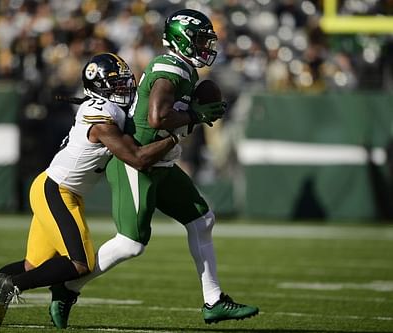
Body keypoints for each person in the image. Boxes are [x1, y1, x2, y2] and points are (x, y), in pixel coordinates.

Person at [52, 8, 259, 328]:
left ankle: (214, 300)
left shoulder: (183, 68)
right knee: (131, 244)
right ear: (182, 39)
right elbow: (157, 118)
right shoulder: (169, 68)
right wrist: (196, 116)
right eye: (201, 39)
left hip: (161, 162)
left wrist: (195, 112)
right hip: (137, 162)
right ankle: (67, 287)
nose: (207, 46)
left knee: (202, 220)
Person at [0, 52, 180, 327]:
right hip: (56, 190)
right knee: (80, 264)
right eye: (116, 84)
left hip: (62, 190)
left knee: (34, 265)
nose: (125, 88)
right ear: (99, 87)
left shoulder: (106, 109)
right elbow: (137, 158)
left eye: (126, 81)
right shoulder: (101, 117)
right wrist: (174, 136)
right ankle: (11, 287)